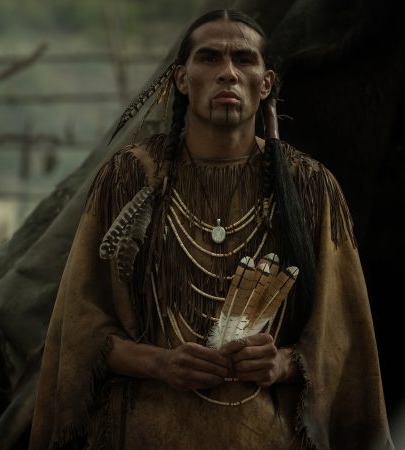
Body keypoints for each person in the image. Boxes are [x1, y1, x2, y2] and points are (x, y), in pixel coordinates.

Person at [30, 9, 393, 450]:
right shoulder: (129, 178)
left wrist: (280, 363)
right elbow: (79, 329)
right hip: (142, 433)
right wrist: (159, 363)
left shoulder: (310, 187)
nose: (227, 73)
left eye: (243, 59)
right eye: (209, 59)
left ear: (266, 83)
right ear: (181, 79)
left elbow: (344, 338)